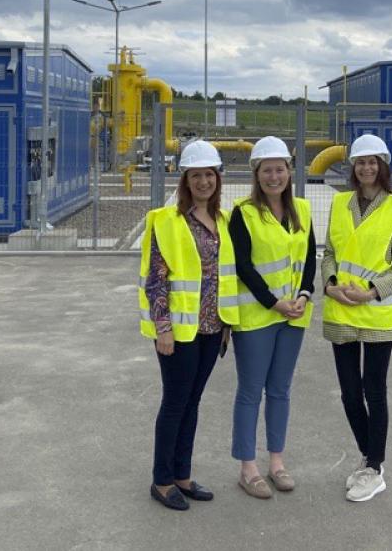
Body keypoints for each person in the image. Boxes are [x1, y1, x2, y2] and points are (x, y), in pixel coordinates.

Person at [138, 140, 240, 511]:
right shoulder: (166, 220)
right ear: (185, 179)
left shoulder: (223, 221)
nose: (203, 181)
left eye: (209, 174)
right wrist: (162, 327)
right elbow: (155, 279)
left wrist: (227, 322)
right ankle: (162, 480)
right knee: (175, 403)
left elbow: (223, 277)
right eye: (196, 175)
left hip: (212, 330)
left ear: (217, 178)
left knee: (192, 403)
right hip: (179, 332)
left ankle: (182, 474)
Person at [320, 133, 392, 502]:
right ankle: (368, 456)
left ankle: (375, 467)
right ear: (352, 168)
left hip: (377, 314)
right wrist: (329, 284)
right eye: (361, 162)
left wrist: (372, 291)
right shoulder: (340, 203)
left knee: (374, 391)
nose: (366, 168)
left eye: (373, 162)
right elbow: (329, 252)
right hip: (341, 308)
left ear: (383, 166)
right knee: (348, 392)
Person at [226, 136, 317, 499]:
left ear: (290, 172)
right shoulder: (243, 213)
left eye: (280, 169)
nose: (274, 177)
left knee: (280, 390)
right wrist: (274, 303)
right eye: (267, 170)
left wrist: (305, 295)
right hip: (256, 318)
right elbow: (243, 266)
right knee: (250, 392)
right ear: (256, 174)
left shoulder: (303, 211)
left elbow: (309, 259)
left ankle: (276, 462)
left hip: (294, 315)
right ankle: (247, 468)